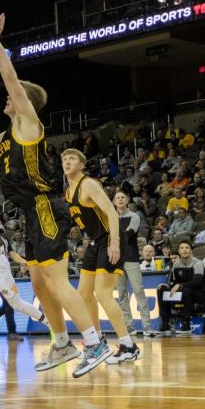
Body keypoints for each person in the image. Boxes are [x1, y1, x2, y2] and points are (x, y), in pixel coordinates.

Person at [0, 14, 112, 378]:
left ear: (24, 102)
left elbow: (11, 79)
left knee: (56, 281)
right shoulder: (8, 137)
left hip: (47, 208)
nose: (7, 98)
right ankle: (61, 343)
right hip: (30, 213)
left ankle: (95, 342)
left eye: (13, 96)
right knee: (39, 282)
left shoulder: (29, 124)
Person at [62, 149, 139, 364]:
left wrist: (114, 243)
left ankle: (128, 345)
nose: (67, 162)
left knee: (103, 293)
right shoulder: (68, 192)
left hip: (110, 238)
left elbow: (112, 214)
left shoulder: (89, 184)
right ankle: (97, 341)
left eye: (72, 159)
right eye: (64, 159)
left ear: (81, 165)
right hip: (95, 242)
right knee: (83, 294)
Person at [0, 206, 46, 339]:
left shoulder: (5, 239)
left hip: (2, 270)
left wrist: (25, 262)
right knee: (9, 302)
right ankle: (10, 331)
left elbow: (13, 255)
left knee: (9, 302)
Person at [115, 190, 153, 336]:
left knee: (138, 291)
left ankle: (147, 326)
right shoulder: (111, 217)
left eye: (122, 197)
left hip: (130, 258)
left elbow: (128, 235)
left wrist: (112, 238)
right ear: (114, 201)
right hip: (116, 260)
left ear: (127, 200)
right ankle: (129, 326)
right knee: (122, 294)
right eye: (117, 197)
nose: (120, 199)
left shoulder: (134, 216)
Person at [156, 240, 205, 334]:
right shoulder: (176, 264)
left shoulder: (198, 263)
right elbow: (173, 283)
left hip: (199, 294)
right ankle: (165, 323)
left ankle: (186, 323)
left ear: (191, 251)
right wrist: (165, 285)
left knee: (187, 290)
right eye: (182, 248)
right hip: (182, 293)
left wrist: (180, 285)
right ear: (179, 251)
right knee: (162, 290)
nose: (184, 250)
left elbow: (197, 282)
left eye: (187, 248)